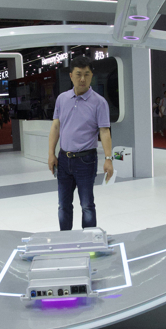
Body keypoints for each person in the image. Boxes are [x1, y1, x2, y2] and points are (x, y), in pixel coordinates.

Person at [47, 56, 112, 231]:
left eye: (86, 74)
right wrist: (51, 153)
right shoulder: (62, 99)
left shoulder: (99, 102)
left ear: (91, 76)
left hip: (86, 160)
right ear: (71, 76)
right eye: (78, 74)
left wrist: (108, 159)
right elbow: (56, 126)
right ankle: (65, 239)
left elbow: (104, 131)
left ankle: (88, 240)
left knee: (87, 205)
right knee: (63, 205)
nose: (82, 79)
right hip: (64, 159)